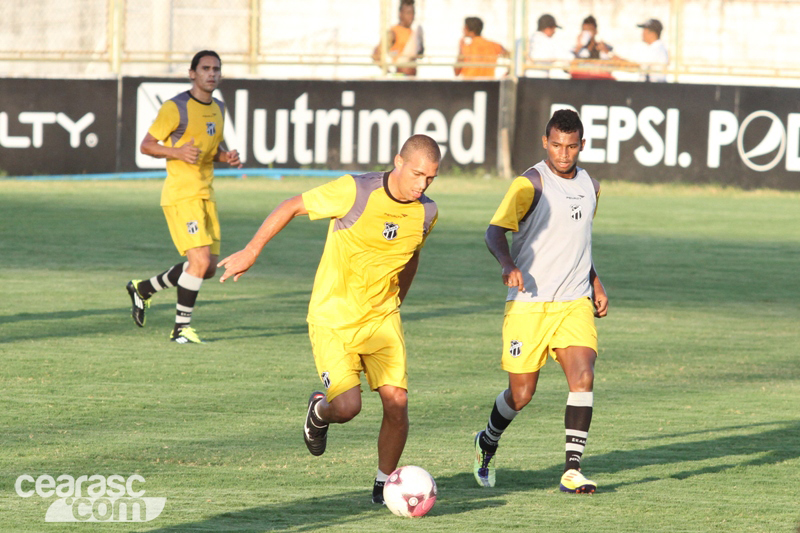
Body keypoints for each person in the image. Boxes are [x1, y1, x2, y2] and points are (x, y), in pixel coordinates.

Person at [217, 135, 440, 504]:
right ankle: (320, 411)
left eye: (430, 178)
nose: (422, 185)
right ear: (398, 161)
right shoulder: (356, 191)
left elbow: (412, 252)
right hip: (333, 317)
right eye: (417, 174)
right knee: (348, 408)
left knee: (397, 403)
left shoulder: (427, 212)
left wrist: (400, 296)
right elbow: (291, 205)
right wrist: (252, 250)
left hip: (381, 318)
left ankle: (384, 486)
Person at [473, 109, 609, 494]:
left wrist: (595, 282)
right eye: (556, 145)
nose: (563, 154)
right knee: (521, 394)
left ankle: (572, 470)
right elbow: (494, 232)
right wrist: (507, 263)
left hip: (573, 302)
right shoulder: (529, 184)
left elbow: (577, 242)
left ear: (582, 144)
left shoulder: (592, 187)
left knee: (583, 376)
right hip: (529, 303)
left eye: (571, 146)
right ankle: (487, 441)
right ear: (545, 142)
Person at [126, 50, 241, 344]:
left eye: (216, 69)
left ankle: (143, 289)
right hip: (181, 195)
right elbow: (147, 145)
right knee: (199, 262)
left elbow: (207, 150)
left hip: (206, 194)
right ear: (192, 73)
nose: (211, 73)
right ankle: (181, 329)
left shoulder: (218, 108)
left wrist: (224, 156)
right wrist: (176, 152)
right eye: (205, 68)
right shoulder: (175, 107)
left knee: (208, 268)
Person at [372, 0, 424, 76]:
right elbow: (376, 55)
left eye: (413, 13)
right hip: (399, 78)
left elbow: (419, 55)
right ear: (400, 14)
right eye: (408, 13)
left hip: (412, 79)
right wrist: (389, 71)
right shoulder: (393, 32)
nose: (411, 17)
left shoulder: (413, 33)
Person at [527, 14, 571, 78]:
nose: (554, 32)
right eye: (553, 29)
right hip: (537, 81)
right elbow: (568, 58)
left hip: (521, 80)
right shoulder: (547, 41)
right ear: (548, 29)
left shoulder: (529, 39)